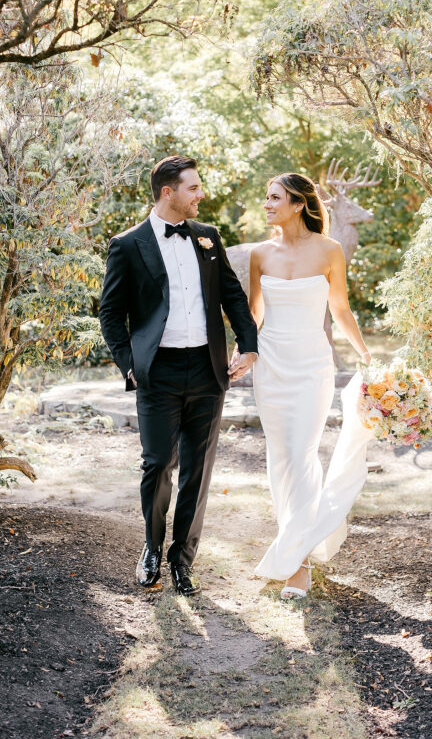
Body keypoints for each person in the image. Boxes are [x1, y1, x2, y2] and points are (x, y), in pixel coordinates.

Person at [99, 155, 258, 596]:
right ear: (168, 192)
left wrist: (248, 345)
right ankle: (151, 547)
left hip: (208, 370)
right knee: (156, 465)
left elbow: (232, 294)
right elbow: (110, 313)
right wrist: (128, 363)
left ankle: (182, 561)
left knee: (197, 471)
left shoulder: (208, 238)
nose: (200, 195)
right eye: (193, 188)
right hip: (159, 372)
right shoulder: (128, 244)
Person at [248, 172, 373, 599]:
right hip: (270, 366)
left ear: (299, 204)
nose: (266, 204)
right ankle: (296, 541)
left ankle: (296, 563)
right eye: (266, 197)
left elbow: (340, 308)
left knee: (302, 454)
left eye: (274, 197)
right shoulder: (259, 254)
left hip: (311, 367)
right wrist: (240, 353)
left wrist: (365, 354)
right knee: (281, 458)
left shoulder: (329, 250)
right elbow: (252, 316)